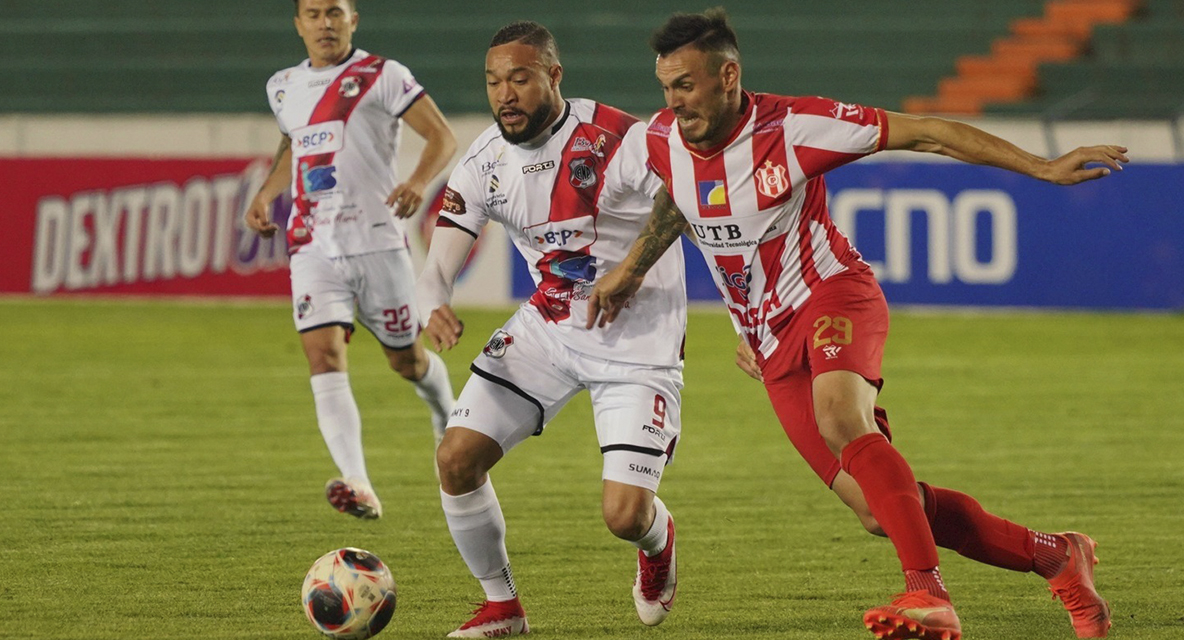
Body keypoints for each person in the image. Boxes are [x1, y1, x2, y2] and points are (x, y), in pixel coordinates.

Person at [588, 9, 1126, 640]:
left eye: (685, 84)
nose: (674, 101)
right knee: (879, 512)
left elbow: (927, 132)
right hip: (769, 342)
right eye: (666, 87)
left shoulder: (793, 127)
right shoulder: (659, 139)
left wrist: (1041, 166)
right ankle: (1057, 556)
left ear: (728, 75)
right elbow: (680, 197)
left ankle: (928, 594)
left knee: (842, 418)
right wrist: (631, 270)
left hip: (832, 294)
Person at [415, 21, 689, 638]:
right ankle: (502, 606)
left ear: (553, 76)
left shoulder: (616, 138)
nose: (504, 94)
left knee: (623, 516)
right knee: (456, 459)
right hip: (550, 329)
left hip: (638, 341)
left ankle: (658, 540)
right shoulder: (484, 162)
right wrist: (435, 302)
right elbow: (437, 264)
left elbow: (686, 197)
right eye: (493, 82)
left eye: (519, 78)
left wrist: (630, 269)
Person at [244, 0, 458, 520]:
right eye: (313, 14)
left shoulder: (382, 75)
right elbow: (293, 144)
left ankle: (445, 414)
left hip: (378, 242)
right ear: (298, 24)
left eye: (335, 12)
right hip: (313, 245)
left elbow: (443, 137)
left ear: (353, 20)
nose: (325, 23)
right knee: (323, 355)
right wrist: (267, 192)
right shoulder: (282, 86)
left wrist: (415, 181)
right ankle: (358, 481)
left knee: (405, 361)